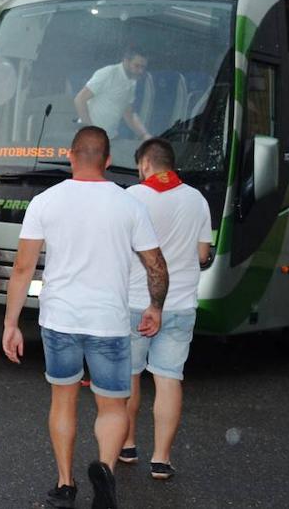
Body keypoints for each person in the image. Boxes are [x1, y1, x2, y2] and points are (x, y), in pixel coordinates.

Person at [3, 127, 168, 509]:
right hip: (107, 321)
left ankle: (65, 484)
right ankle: (105, 470)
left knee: (63, 400)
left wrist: (11, 323)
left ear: (71, 156)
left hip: (59, 317)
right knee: (112, 405)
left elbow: (23, 268)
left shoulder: (46, 201)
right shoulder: (129, 204)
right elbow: (155, 265)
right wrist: (155, 307)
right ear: (108, 160)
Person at [121, 138, 213, 481]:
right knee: (169, 379)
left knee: (129, 377)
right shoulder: (197, 200)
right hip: (180, 304)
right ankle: (161, 459)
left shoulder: (131, 198)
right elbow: (204, 254)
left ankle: (127, 445)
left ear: (145, 164)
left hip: (134, 302)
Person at [74, 47, 151, 140]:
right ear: (126, 61)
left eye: (143, 67)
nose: (140, 71)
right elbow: (79, 99)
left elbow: (128, 114)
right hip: (88, 138)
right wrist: (90, 131)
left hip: (111, 137)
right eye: (137, 66)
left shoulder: (132, 82)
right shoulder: (108, 73)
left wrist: (144, 135)